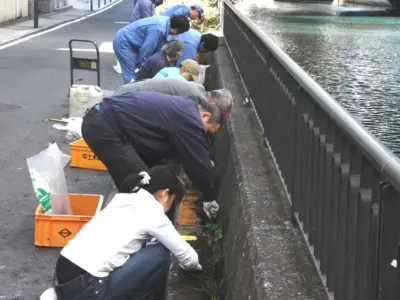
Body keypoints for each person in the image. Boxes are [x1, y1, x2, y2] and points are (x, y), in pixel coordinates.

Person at [51, 165, 202, 300]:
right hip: (89, 288)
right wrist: (196, 268)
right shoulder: (153, 212)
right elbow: (188, 258)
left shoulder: (123, 198)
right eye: (172, 201)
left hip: (61, 278)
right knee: (161, 252)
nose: (169, 207)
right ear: (164, 194)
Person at [81, 91, 223, 219]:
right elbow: (196, 163)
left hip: (112, 123)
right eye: (208, 132)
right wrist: (209, 196)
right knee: (142, 186)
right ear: (205, 115)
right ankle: (134, 236)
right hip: (103, 127)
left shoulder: (186, 108)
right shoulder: (191, 120)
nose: (203, 136)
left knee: (154, 178)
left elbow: (190, 154)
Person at [113, 15, 190, 84]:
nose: (177, 35)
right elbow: (147, 49)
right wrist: (142, 65)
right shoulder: (158, 29)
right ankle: (128, 95)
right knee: (131, 75)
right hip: (124, 42)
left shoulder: (167, 23)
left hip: (135, 43)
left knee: (138, 73)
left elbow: (156, 49)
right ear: (175, 30)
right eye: (179, 33)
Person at [114, 78, 233, 117]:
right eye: (218, 113)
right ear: (213, 103)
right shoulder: (194, 98)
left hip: (128, 92)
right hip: (126, 100)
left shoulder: (198, 88)